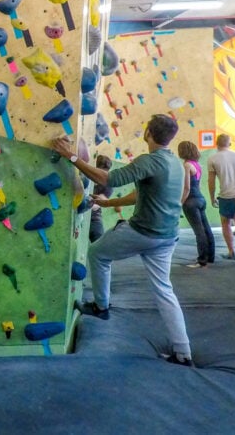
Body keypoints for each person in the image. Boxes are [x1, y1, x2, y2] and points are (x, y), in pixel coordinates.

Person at [51, 114, 194, 366]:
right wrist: (110, 203)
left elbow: (106, 179)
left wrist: (70, 156)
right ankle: (183, 352)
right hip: (168, 235)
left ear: (148, 133)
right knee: (164, 290)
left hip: (144, 232)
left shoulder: (149, 160)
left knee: (97, 253)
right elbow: (140, 193)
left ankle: (101, 306)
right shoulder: (176, 163)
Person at [177, 141, 214, 268]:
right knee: (206, 228)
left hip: (190, 201)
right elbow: (196, 185)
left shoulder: (186, 165)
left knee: (199, 231)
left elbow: (186, 188)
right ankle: (210, 257)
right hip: (200, 198)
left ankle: (202, 260)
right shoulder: (197, 165)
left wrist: (179, 203)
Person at [89, 155, 114, 242]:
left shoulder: (109, 186)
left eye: (104, 172)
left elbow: (96, 206)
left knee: (98, 237)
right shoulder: (87, 174)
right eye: (98, 170)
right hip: (82, 202)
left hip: (94, 214)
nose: (100, 174)